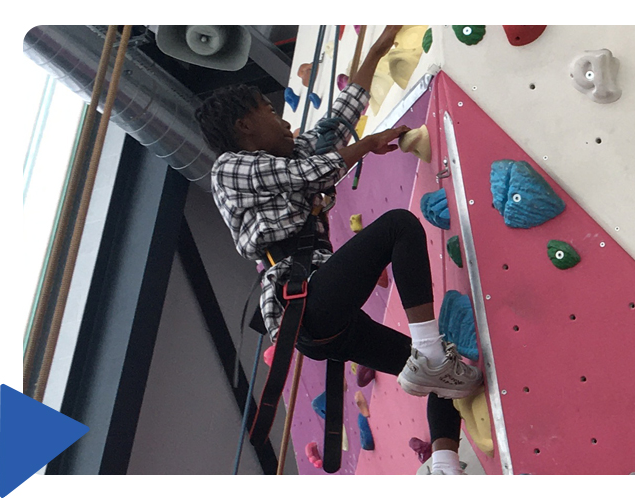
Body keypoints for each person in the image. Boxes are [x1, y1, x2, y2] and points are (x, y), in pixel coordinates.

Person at [195, 25, 482, 475]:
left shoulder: (288, 154)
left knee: (441, 382)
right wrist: (368, 145)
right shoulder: (229, 170)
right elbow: (308, 177)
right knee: (398, 227)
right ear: (244, 126)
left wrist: (379, 48)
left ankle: (444, 465)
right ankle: (428, 352)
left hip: (325, 317)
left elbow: (338, 121)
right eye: (271, 110)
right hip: (301, 302)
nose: (285, 121)